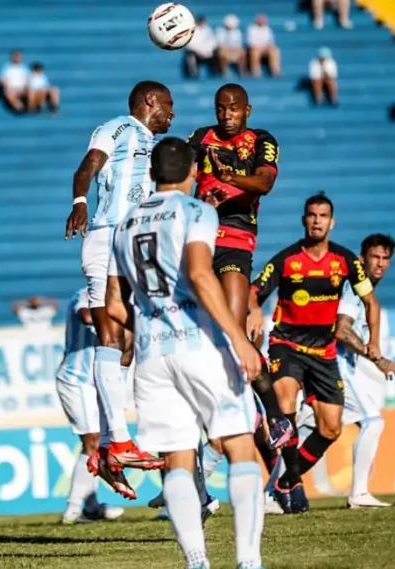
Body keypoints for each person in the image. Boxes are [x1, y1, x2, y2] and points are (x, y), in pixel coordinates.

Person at [105, 137, 264, 569]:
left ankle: (197, 561)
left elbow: (115, 305)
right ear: (194, 168)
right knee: (240, 446)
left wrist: (147, 330)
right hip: (200, 345)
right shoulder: (198, 212)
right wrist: (239, 338)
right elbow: (198, 272)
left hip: (152, 356)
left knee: (177, 460)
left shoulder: (124, 223)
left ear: (152, 173)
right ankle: (249, 562)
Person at [63, 81, 175, 493]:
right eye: (168, 104)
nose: (172, 113)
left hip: (133, 242)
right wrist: (79, 202)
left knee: (127, 342)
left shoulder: (150, 143)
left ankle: (110, 447)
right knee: (110, 335)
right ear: (149, 101)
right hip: (108, 234)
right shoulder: (118, 127)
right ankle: (118, 442)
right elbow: (88, 165)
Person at [247, 193, 381, 513]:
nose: (317, 220)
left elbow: (370, 302)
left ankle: (285, 481)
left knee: (331, 428)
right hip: (287, 345)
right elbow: (254, 292)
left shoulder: (345, 260)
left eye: (323, 215)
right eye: (312, 215)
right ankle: (293, 483)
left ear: (331, 222)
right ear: (304, 220)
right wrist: (253, 311)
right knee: (285, 403)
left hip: (323, 352)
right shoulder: (286, 259)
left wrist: (374, 340)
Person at [187, 84, 291, 447]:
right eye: (220, 108)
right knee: (198, 342)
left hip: (234, 237)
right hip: (198, 234)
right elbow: (179, 176)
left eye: (233, 108)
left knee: (233, 333)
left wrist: (230, 179)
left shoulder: (261, 140)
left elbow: (264, 182)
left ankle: (275, 416)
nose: (226, 114)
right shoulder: (200, 137)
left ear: (247, 109)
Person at [323, 234, 395, 508]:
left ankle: (271, 493)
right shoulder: (354, 288)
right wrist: (377, 359)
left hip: (331, 366)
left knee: (309, 432)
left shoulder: (364, 291)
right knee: (373, 422)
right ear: (362, 258)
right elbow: (342, 330)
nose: (380, 264)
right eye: (375, 257)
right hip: (335, 366)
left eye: (385, 258)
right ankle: (358, 493)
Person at [55, 287, 130, 521]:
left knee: (97, 444)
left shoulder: (121, 296)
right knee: (94, 441)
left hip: (98, 382)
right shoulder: (87, 292)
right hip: (76, 380)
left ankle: (89, 506)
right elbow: (86, 315)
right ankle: (74, 509)